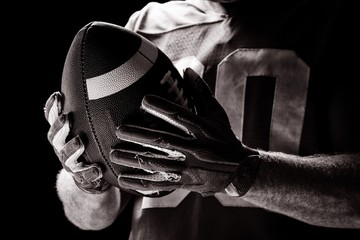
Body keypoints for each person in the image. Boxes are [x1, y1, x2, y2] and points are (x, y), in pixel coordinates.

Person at [44, 0, 360, 239]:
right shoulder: (144, 27)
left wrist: (247, 172)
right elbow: (93, 219)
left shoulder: (335, 21)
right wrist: (86, 179)